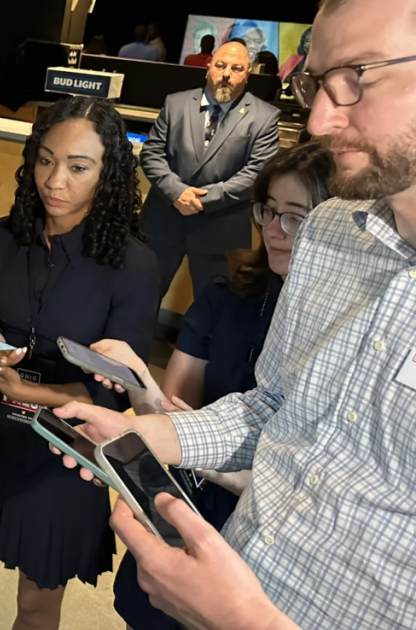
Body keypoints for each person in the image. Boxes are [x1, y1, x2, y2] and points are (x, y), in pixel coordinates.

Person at [54, 0, 416, 629]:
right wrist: (150, 435)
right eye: (316, 84)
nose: (317, 120)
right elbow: (270, 410)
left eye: (358, 77)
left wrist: (243, 620)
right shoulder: (334, 232)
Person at [0, 97, 159, 630]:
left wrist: (31, 392)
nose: (55, 181)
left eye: (78, 167)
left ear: (109, 174)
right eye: (45, 161)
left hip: (70, 444)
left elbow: (116, 394)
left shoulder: (133, 264)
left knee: (36, 605)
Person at [93, 143, 333, 630]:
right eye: (268, 211)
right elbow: (173, 416)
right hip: (194, 502)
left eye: (296, 218)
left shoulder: (345, 328)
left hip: (271, 531)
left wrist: (227, 465)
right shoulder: (229, 295)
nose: (274, 230)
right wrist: (139, 379)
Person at [139, 41, 281, 302]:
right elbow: (151, 154)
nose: (226, 73)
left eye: (236, 68)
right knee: (140, 299)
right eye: (220, 65)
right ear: (208, 68)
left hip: (220, 229)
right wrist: (177, 192)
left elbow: (257, 174)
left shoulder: (265, 117)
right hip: (164, 222)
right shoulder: (175, 104)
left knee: (215, 310)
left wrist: (200, 200)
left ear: (247, 74)